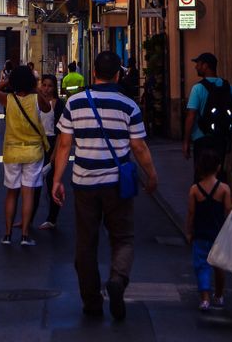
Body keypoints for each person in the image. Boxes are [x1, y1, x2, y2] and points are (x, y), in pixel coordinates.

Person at [51, 50, 158, 321]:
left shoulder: (75, 103)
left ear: (94, 73)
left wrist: (56, 180)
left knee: (85, 244)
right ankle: (118, 278)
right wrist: (152, 174)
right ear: (118, 75)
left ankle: (91, 302)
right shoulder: (128, 105)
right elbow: (139, 146)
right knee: (123, 237)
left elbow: (64, 144)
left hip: (84, 183)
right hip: (116, 184)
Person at [0, 65, 49, 246]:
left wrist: (10, 80)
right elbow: (47, 108)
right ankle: (25, 235)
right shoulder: (36, 99)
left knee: (11, 193)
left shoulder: (8, 99)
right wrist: (34, 87)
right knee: (28, 193)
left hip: (12, 151)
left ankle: (7, 234)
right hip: (33, 151)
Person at [186, 147, 232, 312]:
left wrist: (189, 231)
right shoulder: (224, 189)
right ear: (218, 167)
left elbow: (191, 213)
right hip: (218, 234)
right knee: (218, 266)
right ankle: (219, 295)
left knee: (202, 266)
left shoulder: (194, 190)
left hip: (200, 234)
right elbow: (228, 210)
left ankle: (205, 298)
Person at [182, 52, 232, 176]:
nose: (196, 67)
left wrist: (186, 141)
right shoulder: (229, 87)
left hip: (202, 139)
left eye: (198, 64)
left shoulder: (197, 88)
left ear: (205, 66)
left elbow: (191, 116)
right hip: (221, 139)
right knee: (217, 174)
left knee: (201, 176)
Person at [35, 73, 66, 230]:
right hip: (37, 145)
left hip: (52, 144)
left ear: (55, 88)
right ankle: (28, 218)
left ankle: (52, 219)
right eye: (44, 85)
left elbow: (61, 133)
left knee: (51, 182)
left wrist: (54, 155)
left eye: (50, 86)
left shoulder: (58, 104)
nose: (46, 89)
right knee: (32, 184)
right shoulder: (36, 102)